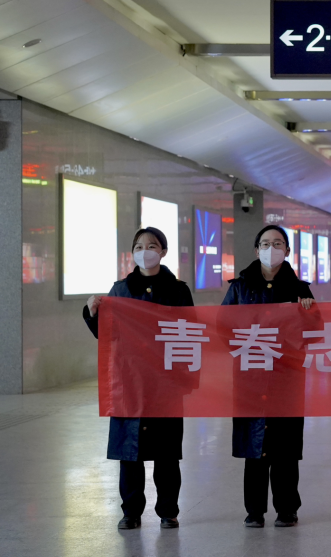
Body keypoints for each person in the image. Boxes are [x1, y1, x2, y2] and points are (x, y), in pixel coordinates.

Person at [83, 227, 192, 530]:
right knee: (130, 452)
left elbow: (190, 335)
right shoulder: (120, 290)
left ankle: (168, 510)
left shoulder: (178, 290)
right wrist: (93, 313)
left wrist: (186, 379)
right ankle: (131, 511)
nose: (145, 252)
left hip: (166, 383)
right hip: (129, 382)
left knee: (166, 453)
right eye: (139, 247)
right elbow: (107, 334)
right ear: (132, 253)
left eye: (152, 246)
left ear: (163, 251)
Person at [222, 225, 315, 528]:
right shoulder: (239, 287)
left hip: (287, 378)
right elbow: (223, 327)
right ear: (256, 249)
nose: (271, 248)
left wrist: (310, 313)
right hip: (251, 377)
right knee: (255, 447)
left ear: (287, 250)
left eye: (277, 243)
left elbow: (314, 334)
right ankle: (254, 510)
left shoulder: (300, 288)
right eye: (265, 243)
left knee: (285, 447)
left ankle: (287, 508)